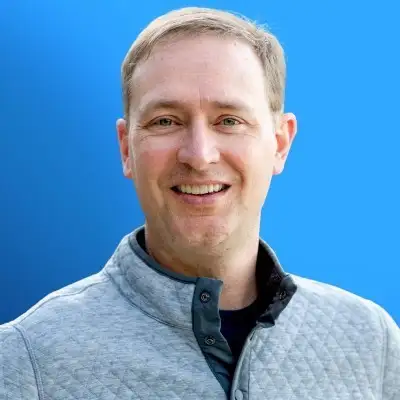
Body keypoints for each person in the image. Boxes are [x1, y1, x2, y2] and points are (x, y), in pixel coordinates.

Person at [1, 6, 399, 400]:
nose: (199, 155)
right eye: (165, 121)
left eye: (229, 120)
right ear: (126, 148)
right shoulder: (25, 358)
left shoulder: (372, 343)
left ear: (280, 143)